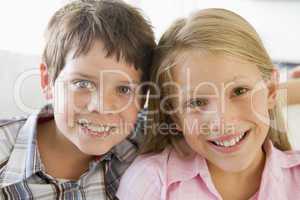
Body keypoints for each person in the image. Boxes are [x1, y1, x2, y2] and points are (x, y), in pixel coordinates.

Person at [117, 8, 300, 200]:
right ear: (174, 116)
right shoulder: (151, 183)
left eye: (239, 91)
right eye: (197, 102)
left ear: (271, 91)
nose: (222, 120)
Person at [0, 0, 155, 199]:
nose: (101, 107)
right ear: (48, 81)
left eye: (124, 89)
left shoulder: (146, 144)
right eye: (82, 84)